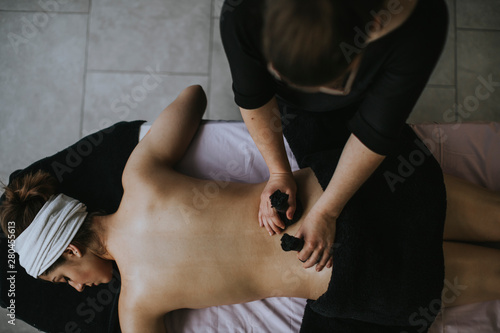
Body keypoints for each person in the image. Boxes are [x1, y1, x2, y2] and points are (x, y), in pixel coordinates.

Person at [1, 86, 499, 333]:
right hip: (348, 189)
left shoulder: (137, 307)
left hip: (354, 275)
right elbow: (193, 97)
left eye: (66, 279)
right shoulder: (141, 176)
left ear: (69, 247)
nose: (79, 288)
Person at [220, 0, 449, 275]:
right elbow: (253, 94)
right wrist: (279, 172)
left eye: (330, 84)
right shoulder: (242, 10)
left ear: (373, 29)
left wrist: (327, 211)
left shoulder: (422, 24)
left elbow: (376, 130)